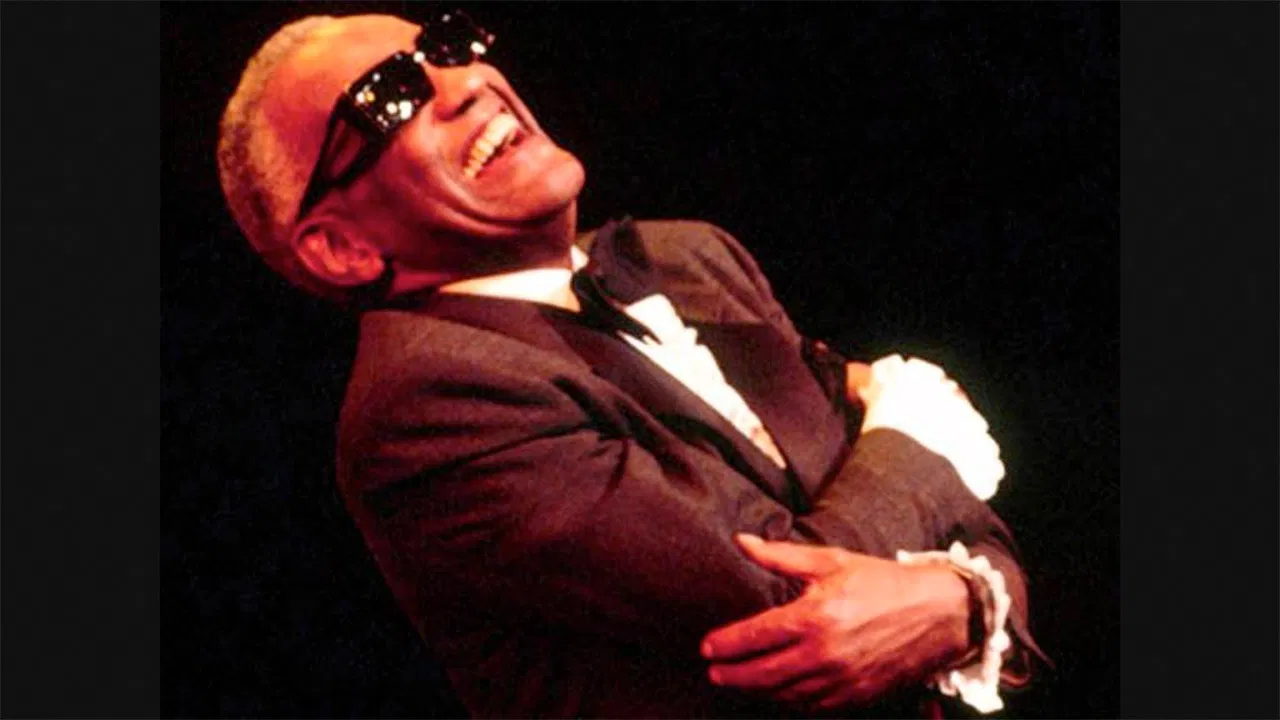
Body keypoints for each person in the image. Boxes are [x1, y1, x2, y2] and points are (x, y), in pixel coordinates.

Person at [215, 10, 1047, 718]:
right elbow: (794, 606)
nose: (463, 83)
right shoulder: (426, 403)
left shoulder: (688, 256)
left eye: (448, 44)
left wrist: (966, 603)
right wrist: (914, 430)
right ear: (342, 249)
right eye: (389, 98)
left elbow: (974, 534)